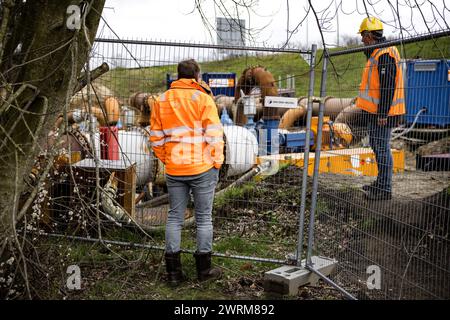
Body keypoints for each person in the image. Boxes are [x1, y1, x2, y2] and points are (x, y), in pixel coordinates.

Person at [150, 59, 224, 286]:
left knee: (174, 218)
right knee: (203, 218)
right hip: (202, 167)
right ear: (196, 77)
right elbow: (214, 135)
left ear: (178, 76)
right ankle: (204, 271)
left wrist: (168, 158)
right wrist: (217, 162)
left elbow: (156, 138)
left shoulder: (161, 100)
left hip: (175, 167)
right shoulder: (203, 99)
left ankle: (173, 273)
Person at [356, 17, 405, 200]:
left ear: (369, 35)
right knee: (377, 146)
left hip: (384, 114)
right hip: (376, 112)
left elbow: (387, 87)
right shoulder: (377, 52)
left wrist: (383, 113)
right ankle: (381, 183)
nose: (361, 40)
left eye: (362, 35)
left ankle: (385, 189)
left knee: (382, 148)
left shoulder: (385, 53)